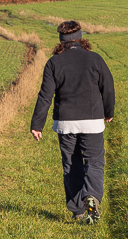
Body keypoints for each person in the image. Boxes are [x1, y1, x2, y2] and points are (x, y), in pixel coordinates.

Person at [30, 20, 115, 223]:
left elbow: (45, 96)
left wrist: (37, 124)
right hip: (92, 122)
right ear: (81, 38)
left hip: (65, 123)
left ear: (61, 41)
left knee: (71, 164)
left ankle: (77, 211)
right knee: (94, 162)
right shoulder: (95, 59)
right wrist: (109, 111)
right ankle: (92, 197)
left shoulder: (53, 63)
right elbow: (108, 87)